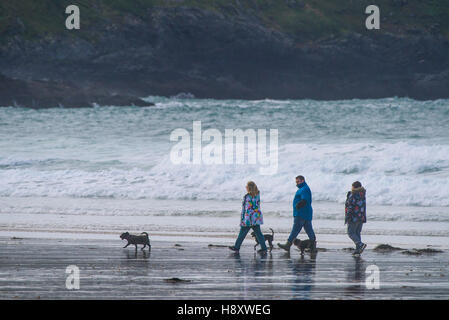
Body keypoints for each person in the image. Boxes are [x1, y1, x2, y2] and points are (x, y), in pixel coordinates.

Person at [278, 175, 316, 252]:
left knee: (295, 230)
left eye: (298, 181)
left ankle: (288, 245)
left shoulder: (304, 189)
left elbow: (304, 199)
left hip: (301, 213)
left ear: (302, 180)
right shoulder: (305, 188)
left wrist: (298, 205)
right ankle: (313, 246)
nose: (297, 183)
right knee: (309, 230)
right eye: (296, 182)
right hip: (307, 213)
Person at [229, 181, 268, 254]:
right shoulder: (257, 194)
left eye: (246, 186)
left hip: (249, 218)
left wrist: (245, 220)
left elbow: (248, 209)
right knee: (259, 234)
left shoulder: (248, 196)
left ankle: (236, 247)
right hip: (256, 217)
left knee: (242, 233)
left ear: (249, 187)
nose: (245, 187)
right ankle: (264, 248)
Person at [345, 181, 367, 255]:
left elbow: (350, 207)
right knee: (357, 232)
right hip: (361, 217)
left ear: (354, 187)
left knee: (350, 232)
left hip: (354, 217)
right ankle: (358, 250)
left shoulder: (353, 195)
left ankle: (360, 244)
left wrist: (348, 217)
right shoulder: (362, 194)